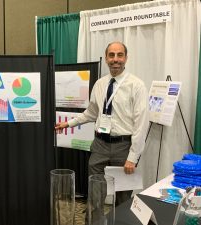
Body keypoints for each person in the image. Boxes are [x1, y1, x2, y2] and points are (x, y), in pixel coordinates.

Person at [55, 41, 149, 205]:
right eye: (111, 55)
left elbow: (141, 125)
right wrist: (68, 124)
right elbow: (91, 113)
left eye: (120, 55)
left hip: (123, 147)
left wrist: (133, 157)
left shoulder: (137, 85)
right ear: (106, 58)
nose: (115, 59)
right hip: (99, 146)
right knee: (95, 193)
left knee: (123, 198)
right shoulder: (100, 84)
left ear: (126, 58)